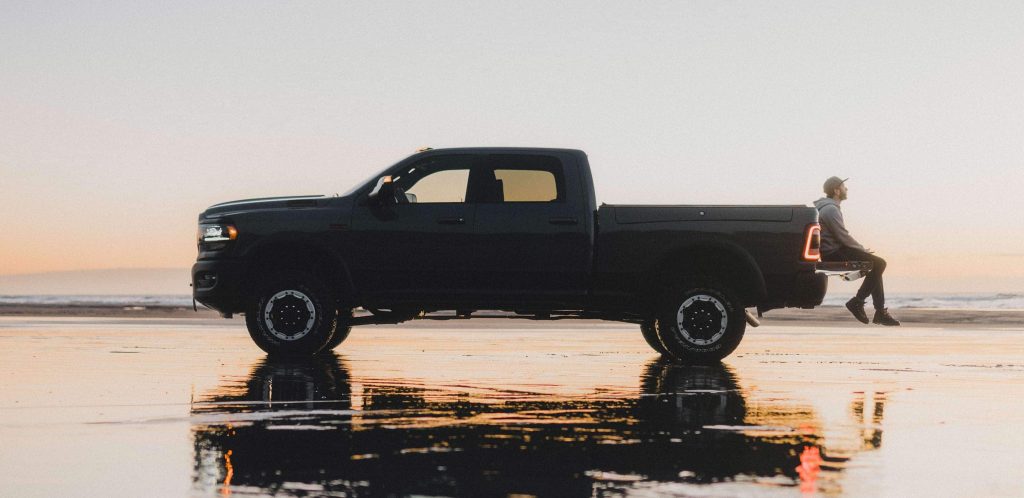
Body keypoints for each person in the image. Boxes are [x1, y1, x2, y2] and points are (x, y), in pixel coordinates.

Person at [814, 177, 900, 326]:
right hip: (834, 252)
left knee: (876, 265)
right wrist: (861, 249)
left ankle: (880, 312)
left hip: (836, 249)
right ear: (836, 190)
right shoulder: (830, 209)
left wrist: (861, 250)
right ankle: (858, 302)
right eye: (844, 187)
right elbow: (843, 236)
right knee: (880, 264)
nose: (846, 189)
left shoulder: (829, 208)